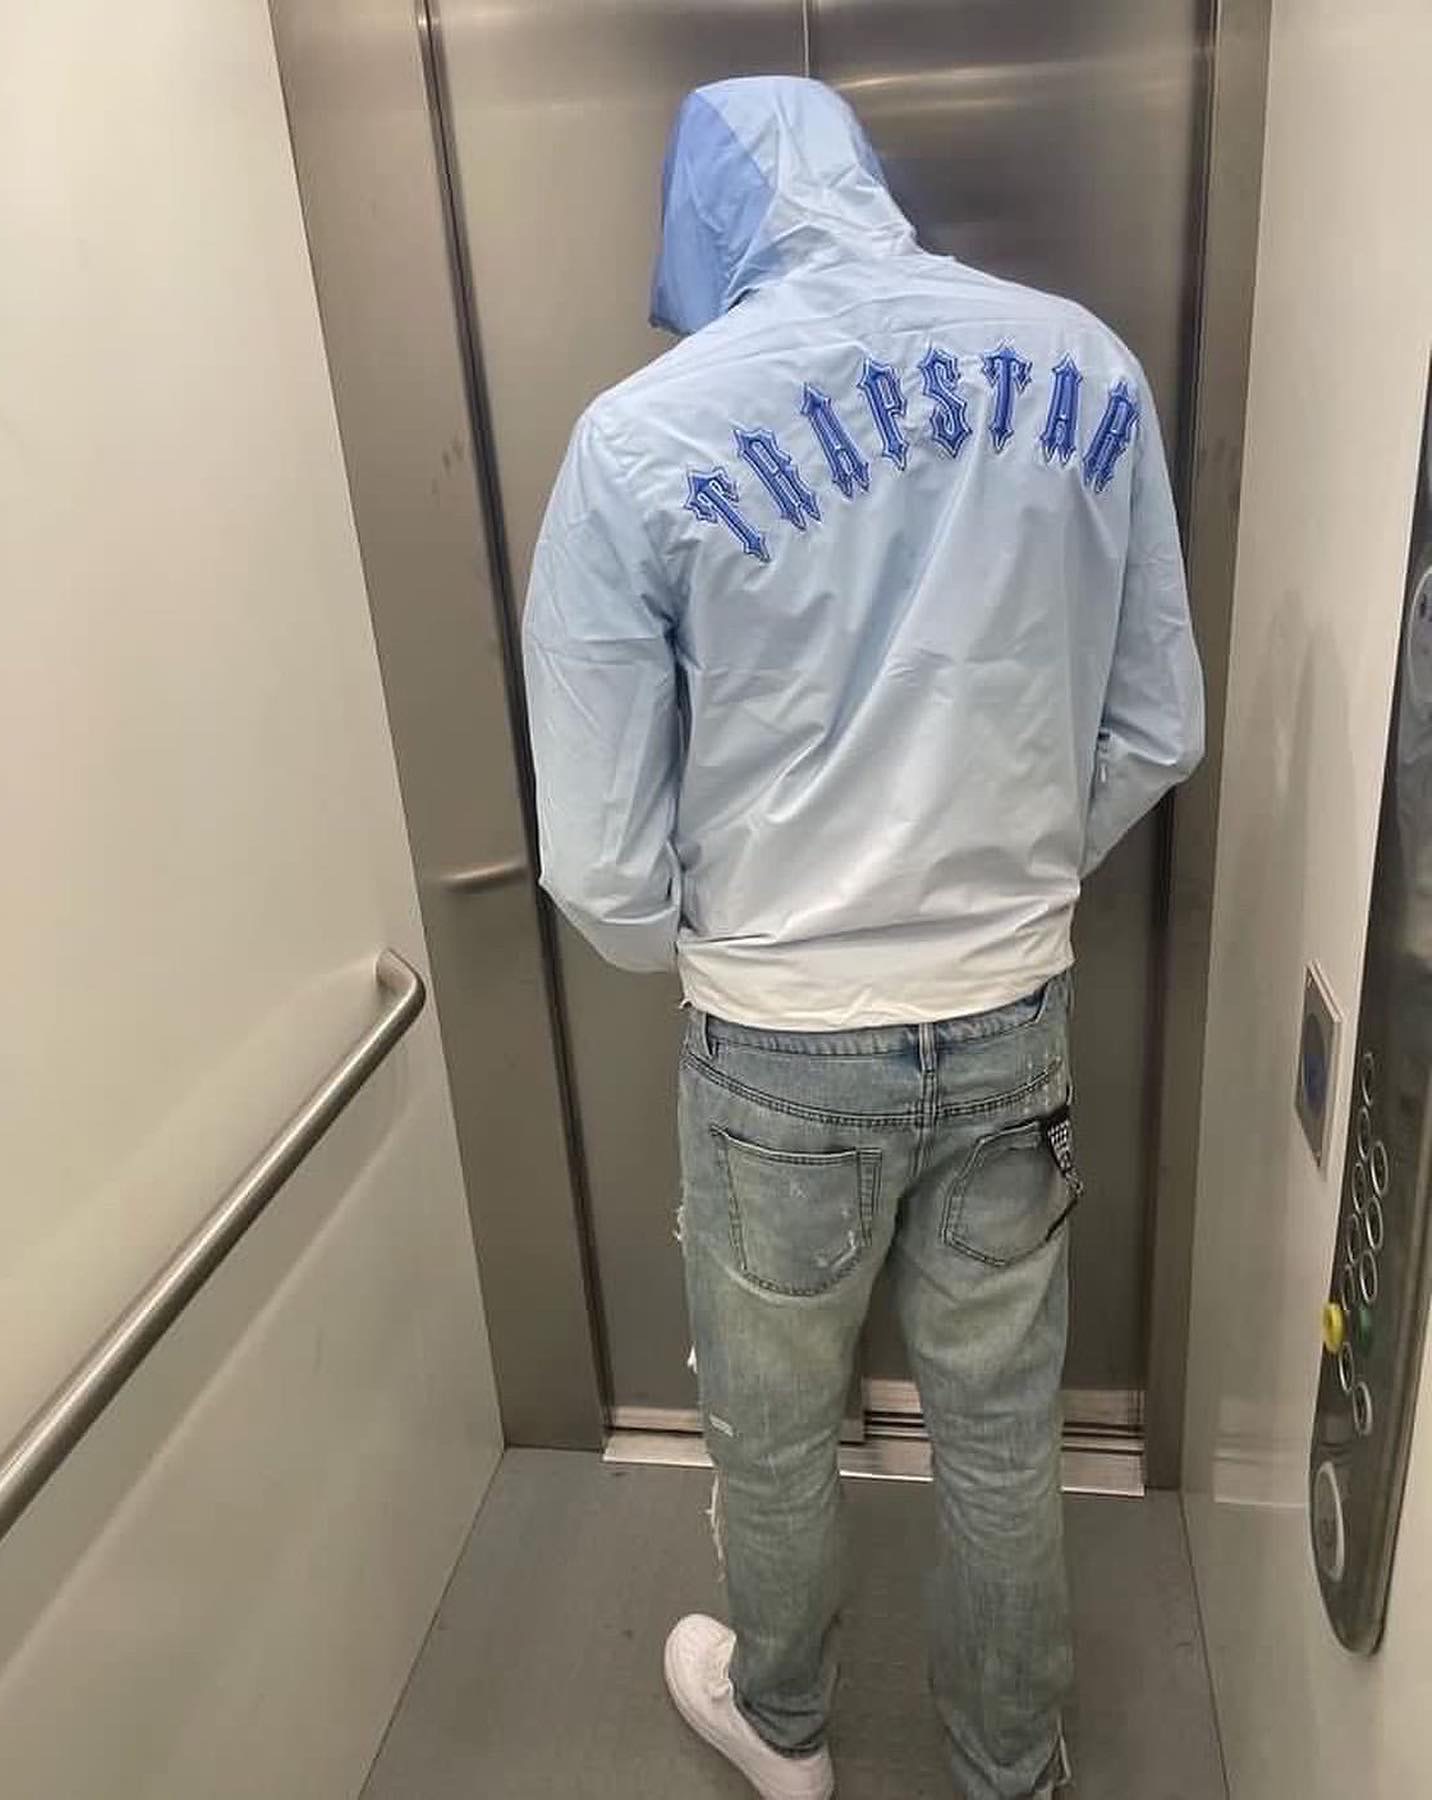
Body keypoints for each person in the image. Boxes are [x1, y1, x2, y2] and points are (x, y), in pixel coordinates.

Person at [522, 75, 1203, 1800]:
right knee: (1001, 1433)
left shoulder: (642, 440)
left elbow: (599, 867)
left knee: (771, 1433)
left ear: (702, 223)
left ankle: (787, 1729)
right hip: (1010, 1017)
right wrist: (1013, 878)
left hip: (776, 1042)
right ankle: (1009, 1766)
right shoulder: (1088, 369)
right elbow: (1158, 726)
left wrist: (727, 937)